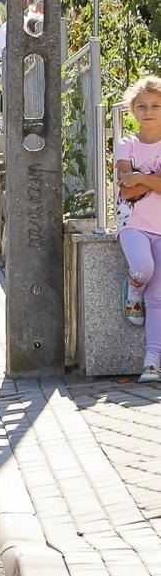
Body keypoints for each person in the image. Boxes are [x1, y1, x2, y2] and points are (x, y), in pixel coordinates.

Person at [117, 77, 161, 381]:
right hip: (133, 224)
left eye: (156, 105)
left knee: (158, 297)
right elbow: (126, 189)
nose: (149, 111)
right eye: (142, 106)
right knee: (143, 268)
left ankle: (152, 361)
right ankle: (133, 288)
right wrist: (152, 179)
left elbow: (137, 183)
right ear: (133, 110)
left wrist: (140, 177)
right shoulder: (126, 145)